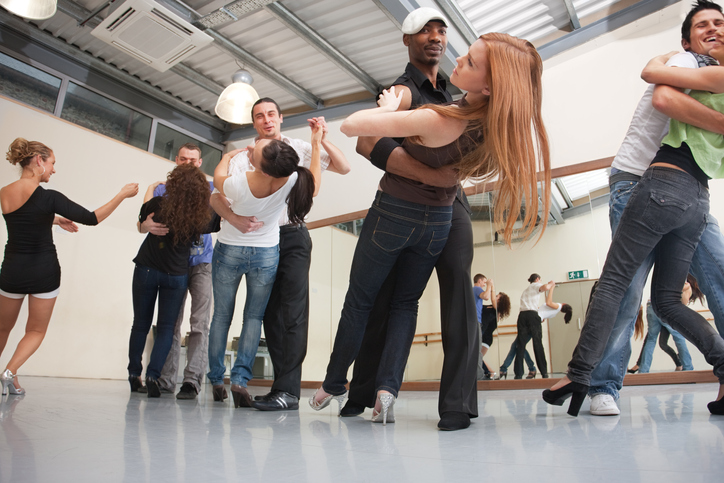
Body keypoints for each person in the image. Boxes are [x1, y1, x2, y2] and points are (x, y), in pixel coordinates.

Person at [310, 32, 551, 427]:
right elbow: (379, 149)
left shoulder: (442, 114)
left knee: (371, 300)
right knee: (400, 303)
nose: (454, 58)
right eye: (463, 54)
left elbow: (358, 128)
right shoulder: (478, 118)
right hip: (438, 212)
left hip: (412, 211)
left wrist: (387, 110)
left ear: (490, 85)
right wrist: (436, 176)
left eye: (469, 62)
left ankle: (344, 385)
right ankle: (377, 390)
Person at [543, 20, 724, 417]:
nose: (715, 30)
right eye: (705, 25)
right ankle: (606, 384)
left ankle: (581, 374)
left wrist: (656, 60)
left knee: (616, 286)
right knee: (664, 301)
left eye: (721, 24)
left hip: (661, 183)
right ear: (687, 40)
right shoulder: (690, 63)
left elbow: (658, 89)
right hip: (689, 193)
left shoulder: (687, 62)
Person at [340, 7, 482, 431]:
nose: (435, 37)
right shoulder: (400, 90)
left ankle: (458, 403)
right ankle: (362, 392)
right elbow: (367, 142)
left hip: (453, 209)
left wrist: (451, 180)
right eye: (424, 31)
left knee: (459, 294)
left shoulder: (459, 95)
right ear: (408, 40)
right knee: (384, 299)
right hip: (406, 206)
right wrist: (431, 175)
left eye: (441, 30)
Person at [210, 98, 349, 411]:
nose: (266, 120)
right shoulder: (245, 157)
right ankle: (278, 389)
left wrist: (321, 139)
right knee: (269, 316)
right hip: (260, 243)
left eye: (271, 114)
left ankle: (288, 391)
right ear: (254, 123)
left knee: (292, 314)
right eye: (259, 116)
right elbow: (219, 194)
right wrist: (233, 219)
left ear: (280, 118)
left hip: (293, 236)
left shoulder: (299, 148)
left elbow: (343, 166)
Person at [0, 137, 138, 396]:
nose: (54, 169)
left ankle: (11, 376)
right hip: (43, 271)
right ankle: (9, 372)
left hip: (12, 270)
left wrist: (53, 221)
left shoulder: (4, 192)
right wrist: (122, 194)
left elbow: (24, 217)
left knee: (2, 328)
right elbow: (91, 218)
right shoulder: (49, 197)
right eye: (52, 163)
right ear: (39, 161)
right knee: (36, 330)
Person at [128, 164, 220, 398]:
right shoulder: (202, 216)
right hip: (176, 274)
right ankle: (154, 375)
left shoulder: (158, 205)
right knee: (168, 327)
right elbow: (219, 219)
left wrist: (150, 187)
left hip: (148, 269)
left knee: (141, 323)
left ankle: (134, 374)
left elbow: (143, 211)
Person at [514, 274, 554, 379]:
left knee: (520, 345)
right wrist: (551, 284)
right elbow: (545, 287)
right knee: (537, 344)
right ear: (537, 279)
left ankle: (518, 374)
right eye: (540, 279)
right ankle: (544, 372)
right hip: (532, 316)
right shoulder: (536, 285)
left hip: (522, 316)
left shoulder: (526, 290)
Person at [478, 277, 511, 380]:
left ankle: (490, 373)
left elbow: (492, 300)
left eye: (497, 297)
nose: (495, 297)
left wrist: (491, 286)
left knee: (477, 356)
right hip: (482, 335)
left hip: (486, 338)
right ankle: (490, 372)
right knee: (477, 357)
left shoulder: (497, 311)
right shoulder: (490, 308)